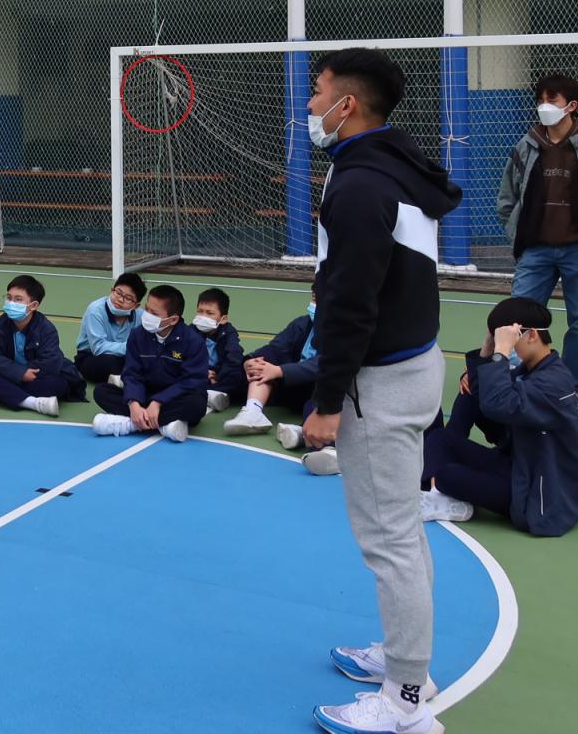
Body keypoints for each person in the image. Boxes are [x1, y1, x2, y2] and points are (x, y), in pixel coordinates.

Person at [300, 48, 461, 734]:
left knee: (389, 540)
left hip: (381, 384)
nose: (310, 105)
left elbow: (351, 303)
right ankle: (404, 658)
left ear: (348, 104)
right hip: (415, 364)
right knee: (402, 531)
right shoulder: (393, 164)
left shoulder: (362, 185)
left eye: (318, 92)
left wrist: (327, 402)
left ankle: (405, 701)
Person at [494, 71, 578, 393]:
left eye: (552, 100)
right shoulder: (526, 145)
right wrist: (516, 231)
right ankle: (518, 379)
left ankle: (570, 386)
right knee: (518, 317)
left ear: (572, 105)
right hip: (535, 248)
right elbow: (508, 197)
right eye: (540, 100)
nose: (544, 106)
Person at [419, 298, 578, 538]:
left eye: (510, 338)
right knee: (440, 438)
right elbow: (484, 395)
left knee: (448, 473)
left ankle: (440, 484)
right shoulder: (530, 370)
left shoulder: (555, 383)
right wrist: (487, 349)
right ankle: (438, 490)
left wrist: (500, 353)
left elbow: (498, 404)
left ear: (531, 335)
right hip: (516, 466)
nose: (506, 346)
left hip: (536, 493)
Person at [226, 293, 339, 476]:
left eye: (321, 299)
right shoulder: (303, 324)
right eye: (314, 298)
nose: (315, 304)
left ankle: (329, 450)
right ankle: (253, 412)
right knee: (259, 365)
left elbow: (329, 363)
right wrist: (251, 361)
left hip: (320, 388)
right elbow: (276, 347)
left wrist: (280, 371)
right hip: (295, 385)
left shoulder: (343, 330)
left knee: (321, 401)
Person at [90, 284, 207, 442]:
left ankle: (130, 424)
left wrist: (158, 402)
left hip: (175, 397)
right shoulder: (137, 335)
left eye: (154, 313)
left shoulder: (193, 341)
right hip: (145, 393)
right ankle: (164, 425)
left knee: (196, 405)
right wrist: (134, 403)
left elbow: (192, 381)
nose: (147, 315)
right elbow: (131, 373)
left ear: (173, 319)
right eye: (147, 309)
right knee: (101, 392)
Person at [0, 274, 84, 415]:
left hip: (37, 377)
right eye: (9, 298)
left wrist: (22, 373)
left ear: (34, 305)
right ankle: (33, 403)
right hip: (14, 374)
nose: (11, 303)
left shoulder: (46, 328)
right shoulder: (1, 324)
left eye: (18, 299)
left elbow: (51, 362)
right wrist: (19, 373)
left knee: (57, 384)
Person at [74, 271, 146, 385]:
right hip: (92, 356)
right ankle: (128, 379)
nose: (120, 300)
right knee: (110, 363)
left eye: (128, 298)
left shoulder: (141, 315)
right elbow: (98, 348)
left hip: (125, 356)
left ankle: (123, 379)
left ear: (136, 306)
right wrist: (131, 347)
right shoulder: (95, 310)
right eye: (118, 293)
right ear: (112, 290)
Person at [191, 286, 244, 414]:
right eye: (200, 311)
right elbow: (183, 356)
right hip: (201, 372)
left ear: (223, 319)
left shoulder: (229, 333)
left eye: (209, 313)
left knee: (240, 377)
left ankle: (210, 392)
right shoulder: (191, 330)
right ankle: (212, 394)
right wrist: (202, 371)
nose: (203, 317)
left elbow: (234, 358)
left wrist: (218, 376)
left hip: (220, 374)